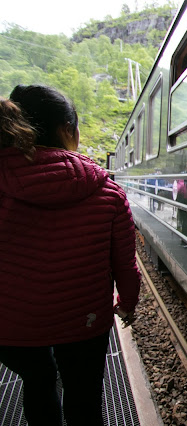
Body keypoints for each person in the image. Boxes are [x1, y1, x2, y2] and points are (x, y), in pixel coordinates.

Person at [0, 84, 141, 426]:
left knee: (38, 379)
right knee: (84, 393)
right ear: (68, 131)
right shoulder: (107, 192)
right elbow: (126, 265)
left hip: (11, 327)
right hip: (84, 323)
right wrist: (127, 303)